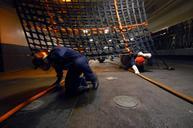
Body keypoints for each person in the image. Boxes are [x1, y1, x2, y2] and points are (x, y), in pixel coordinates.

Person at [32, 46, 99, 95]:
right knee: (70, 90)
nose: (42, 68)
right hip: (73, 68)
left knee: (78, 63)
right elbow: (59, 74)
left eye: (41, 66)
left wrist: (56, 54)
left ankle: (93, 78)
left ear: (44, 61)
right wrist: (57, 83)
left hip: (80, 60)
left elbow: (62, 51)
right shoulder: (54, 63)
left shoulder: (55, 52)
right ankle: (83, 82)